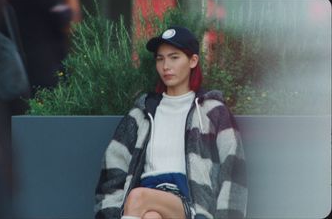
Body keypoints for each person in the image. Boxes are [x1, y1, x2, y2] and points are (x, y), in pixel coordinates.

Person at [94, 26, 247, 219]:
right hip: (146, 201)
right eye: (160, 58)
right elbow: (113, 171)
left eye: (174, 57)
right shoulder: (141, 114)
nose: (166, 66)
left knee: (137, 197)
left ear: (193, 61)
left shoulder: (212, 111)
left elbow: (233, 170)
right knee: (151, 216)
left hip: (189, 201)